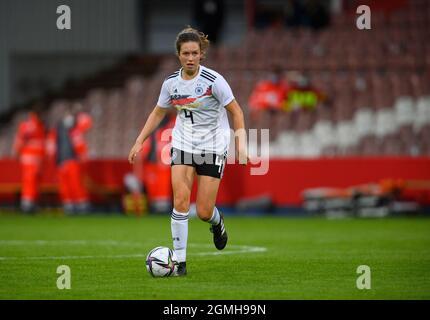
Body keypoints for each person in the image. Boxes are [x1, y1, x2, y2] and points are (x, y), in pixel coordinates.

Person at [128, 27, 248, 276]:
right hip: (183, 144)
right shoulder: (171, 83)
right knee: (180, 201)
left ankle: (217, 222)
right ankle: (180, 263)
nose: (191, 58)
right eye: (186, 53)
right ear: (178, 55)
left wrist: (241, 144)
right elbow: (158, 112)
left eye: (195, 53)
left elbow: (236, 111)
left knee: (204, 211)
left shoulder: (214, 81)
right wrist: (140, 140)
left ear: (201, 54)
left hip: (213, 146)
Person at [47, 105, 92, 214]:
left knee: (76, 183)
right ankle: (69, 205)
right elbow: (52, 145)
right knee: (64, 185)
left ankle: (82, 205)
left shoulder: (75, 130)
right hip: (61, 161)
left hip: (73, 160)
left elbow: (87, 125)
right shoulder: (58, 129)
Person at [12, 103, 46, 213]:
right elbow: (21, 139)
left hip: (37, 159)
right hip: (30, 158)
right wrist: (17, 152)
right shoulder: (29, 125)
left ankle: (32, 203)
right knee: (29, 181)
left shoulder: (39, 125)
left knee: (35, 181)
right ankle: (27, 204)